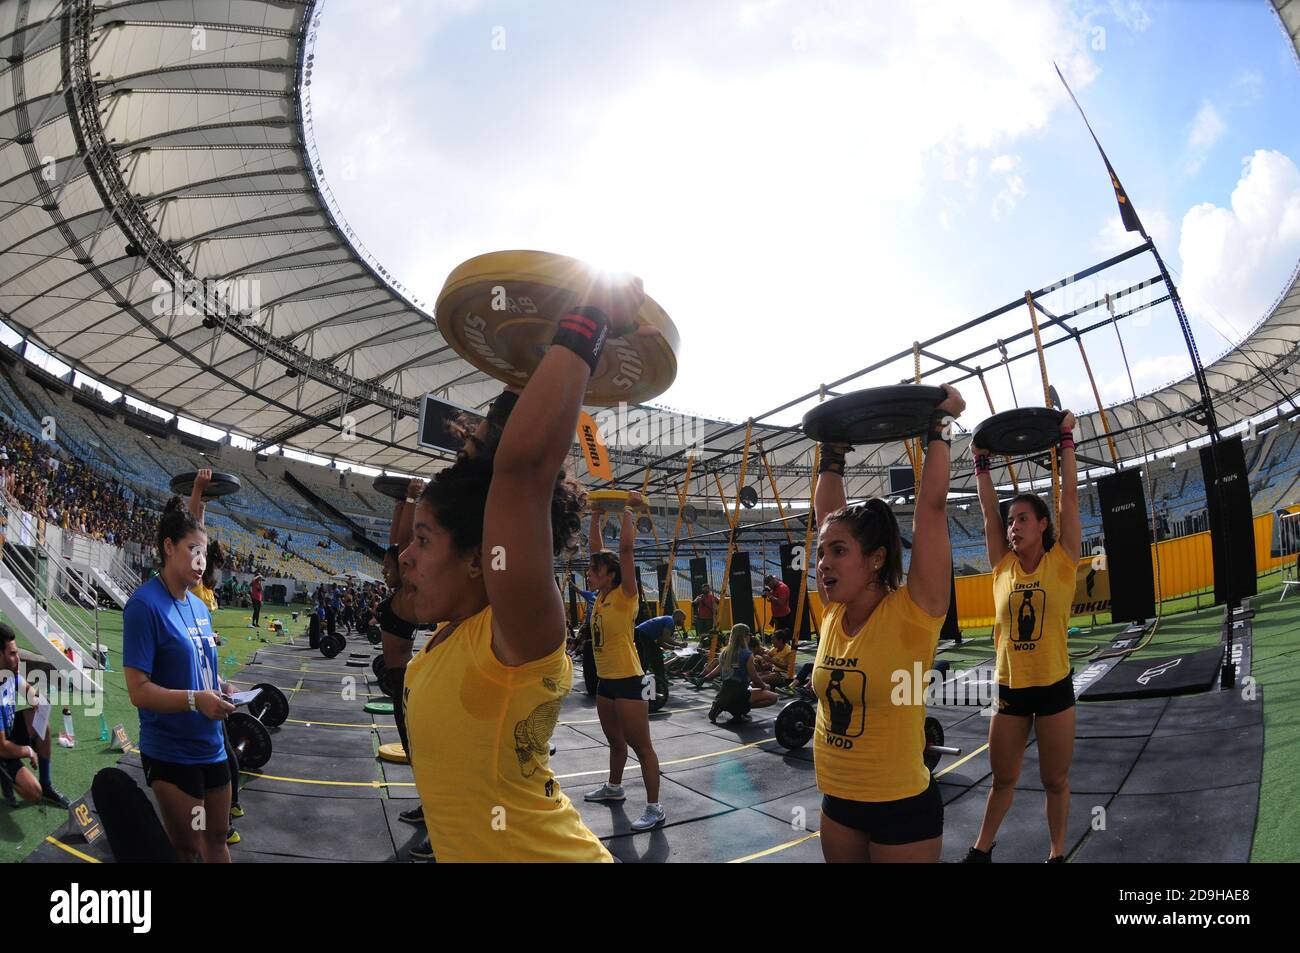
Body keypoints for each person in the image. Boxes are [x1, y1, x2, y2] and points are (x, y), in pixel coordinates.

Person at [399, 278, 650, 862]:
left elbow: (521, 475)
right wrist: (521, 378)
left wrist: (588, 320)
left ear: (476, 561)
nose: (403, 558)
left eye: (421, 540)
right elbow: (500, 469)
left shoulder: (514, 638)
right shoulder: (449, 637)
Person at [810, 384, 964, 862]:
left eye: (838, 552)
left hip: (901, 808)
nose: (823, 563)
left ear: (876, 559)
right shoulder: (833, 613)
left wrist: (937, 429)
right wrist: (832, 454)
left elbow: (931, 509)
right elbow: (824, 516)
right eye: (820, 553)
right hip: (838, 803)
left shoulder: (914, 612)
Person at [963, 411, 1081, 864]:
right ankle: (981, 850)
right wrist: (981, 463)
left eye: (1023, 519)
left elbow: (1069, 496)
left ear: (1043, 525)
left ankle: (1055, 854)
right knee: (1002, 779)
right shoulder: (1001, 567)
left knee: (1055, 781)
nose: (1013, 526)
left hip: (1053, 687)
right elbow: (987, 509)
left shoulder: (1062, 562)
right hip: (1010, 689)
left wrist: (1066, 439)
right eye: (1011, 521)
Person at [123, 497, 235, 862]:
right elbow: (138, 690)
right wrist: (194, 699)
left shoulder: (199, 606)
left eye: (203, 551)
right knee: (188, 848)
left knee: (216, 838)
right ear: (168, 547)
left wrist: (219, 685)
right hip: (172, 753)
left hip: (213, 746)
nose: (200, 561)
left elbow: (201, 667)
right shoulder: (144, 606)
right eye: (192, 550)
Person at [583, 489, 665, 832]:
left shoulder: (625, 595)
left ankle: (654, 807)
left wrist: (628, 511)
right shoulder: (601, 596)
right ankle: (615, 788)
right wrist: (597, 517)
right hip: (606, 681)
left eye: (595, 571)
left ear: (611, 576)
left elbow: (626, 551)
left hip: (630, 680)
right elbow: (595, 551)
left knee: (641, 747)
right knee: (615, 741)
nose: (589, 573)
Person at [0, 625, 71, 808]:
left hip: (6, 735)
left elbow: (27, 689)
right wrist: (28, 751)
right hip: (1, 747)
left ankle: (47, 786)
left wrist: (38, 700)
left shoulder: (9, 672)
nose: (18, 658)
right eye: (12, 654)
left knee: (41, 723)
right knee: (33, 793)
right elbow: (2, 748)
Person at [704, 623, 778, 723]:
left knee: (743, 690)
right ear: (745, 637)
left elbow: (715, 672)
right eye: (749, 635)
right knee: (773, 697)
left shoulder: (725, 652)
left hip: (723, 695)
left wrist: (705, 676)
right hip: (739, 696)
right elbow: (755, 678)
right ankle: (740, 711)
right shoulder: (747, 654)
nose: (750, 637)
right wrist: (765, 687)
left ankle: (720, 706)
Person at [763, 574, 792, 639]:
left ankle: (786, 647)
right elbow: (774, 599)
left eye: (769, 585)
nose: (769, 587)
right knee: (778, 637)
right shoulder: (774, 588)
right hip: (777, 616)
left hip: (784, 617)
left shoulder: (782, 588)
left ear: (773, 581)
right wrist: (769, 597)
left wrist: (771, 596)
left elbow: (781, 602)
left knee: (783, 637)